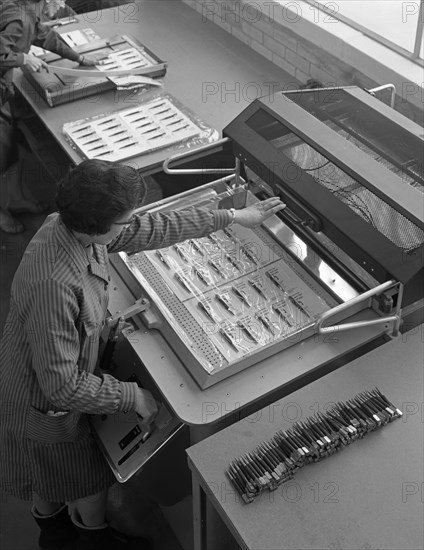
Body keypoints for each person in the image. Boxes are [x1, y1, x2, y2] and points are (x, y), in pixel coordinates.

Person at [0, 159, 285, 549]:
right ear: (98, 226)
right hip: (41, 400)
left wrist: (233, 216)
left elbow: (149, 229)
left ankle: (55, 525)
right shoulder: (56, 284)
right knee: (80, 475)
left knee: (47, 472)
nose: (130, 225)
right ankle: (85, 537)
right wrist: (131, 396)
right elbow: (62, 387)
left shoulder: (67, 225)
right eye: (123, 219)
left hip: (33, 374)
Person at [0, 0, 103, 233]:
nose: (61, 7)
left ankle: (13, 199)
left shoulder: (26, 13)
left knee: (11, 150)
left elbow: (47, 37)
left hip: (4, 91)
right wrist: (24, 59)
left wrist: (80, 58)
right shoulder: (18, 19)